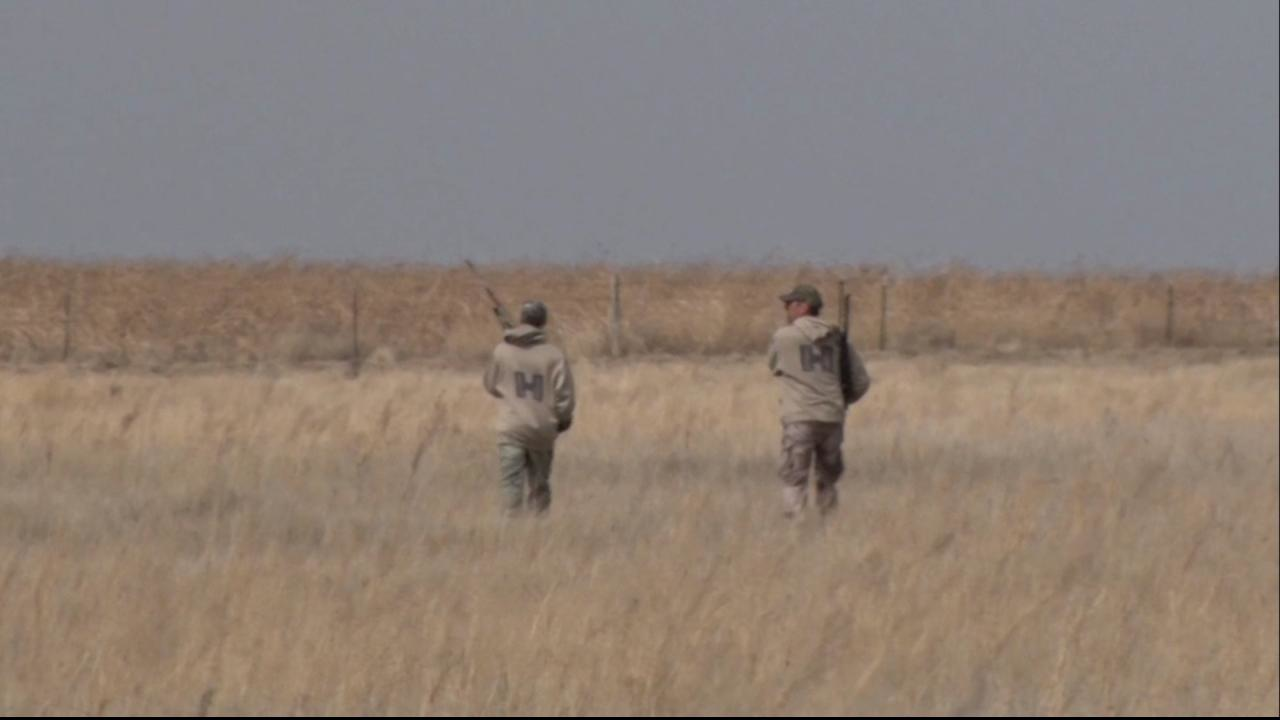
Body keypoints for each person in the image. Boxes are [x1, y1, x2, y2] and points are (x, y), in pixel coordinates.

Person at [767, 284, 871, 517]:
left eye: (790, 304)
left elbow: (773, 365)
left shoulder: (784, 336)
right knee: (828, 478)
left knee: (794, 476)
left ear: (803, 306)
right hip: (833, 417)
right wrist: (842, 399)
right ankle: (828, 526)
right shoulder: (838, 339)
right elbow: (861, 381)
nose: (786, 309)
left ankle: (794, 528)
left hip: (799, 417)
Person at [482, 301, 576, 515]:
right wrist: (563, 419)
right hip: (543, 430)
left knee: (511, 484)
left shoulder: (502, 350)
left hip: (511, 428)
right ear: (543, 323)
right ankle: (539, 530)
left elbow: (490, 385)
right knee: (540, 486)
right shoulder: (554, 355)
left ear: (522, 319)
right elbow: (565, 395)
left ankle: (511, 531)